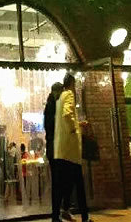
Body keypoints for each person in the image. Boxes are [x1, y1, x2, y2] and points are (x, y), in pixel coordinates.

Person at [54, 73, 92, 222]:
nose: (75, 88)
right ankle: (85, 217)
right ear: (72, 84)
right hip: (71, 148)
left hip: (62, 148)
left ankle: (65, 210)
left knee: (69, 182)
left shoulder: (60, 98)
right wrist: (74, 130)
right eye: (75, 85)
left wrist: (78, 124)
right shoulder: (69, 94)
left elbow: (65, 118)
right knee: (78, 183)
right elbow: (67, 114)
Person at [45, 82, 75, 221]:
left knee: (66, 180)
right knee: (59, 182)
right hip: (56, 150)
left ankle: (63, 210)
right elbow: (51, 128)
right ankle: (56, 214)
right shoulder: (51, 106)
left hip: (61, 149)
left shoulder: (57, 105)